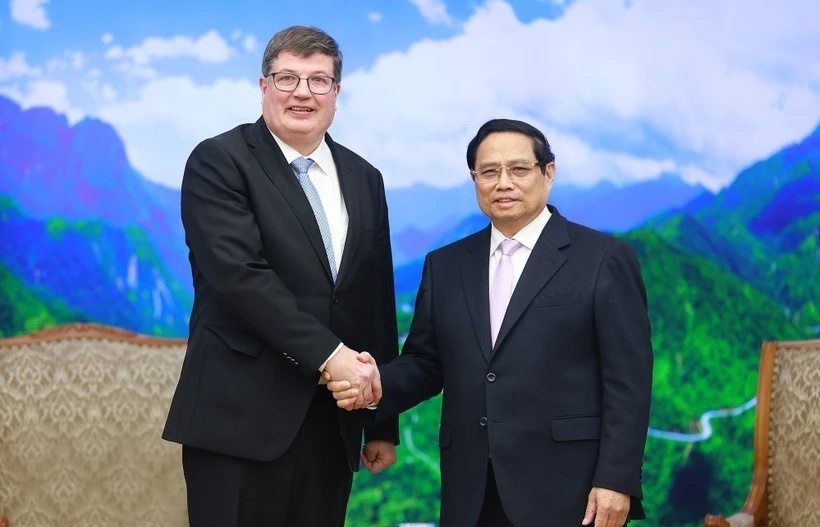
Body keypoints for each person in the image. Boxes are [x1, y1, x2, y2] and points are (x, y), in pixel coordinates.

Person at [330, 119, 653, 527]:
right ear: (474, 179)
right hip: (471, 488)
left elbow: (628, 381)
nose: (503, 183)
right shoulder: (446, 265)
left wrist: (616, 479)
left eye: (518, 169)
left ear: (548, 173)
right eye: (489, 171)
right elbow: (426, 363)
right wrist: (374, 384)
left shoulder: (602, 258)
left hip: (570, 489)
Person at [162, 25, 399, 527]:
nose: (302, 93)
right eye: (287, 77)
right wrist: (333, 357)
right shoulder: (219, 161)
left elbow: (375, 297)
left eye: (318, 80)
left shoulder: (365, 178)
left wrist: (381, 418)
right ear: (263, 85)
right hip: (238, 422)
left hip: (333, 422)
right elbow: (239, 277)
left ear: (336, 91)